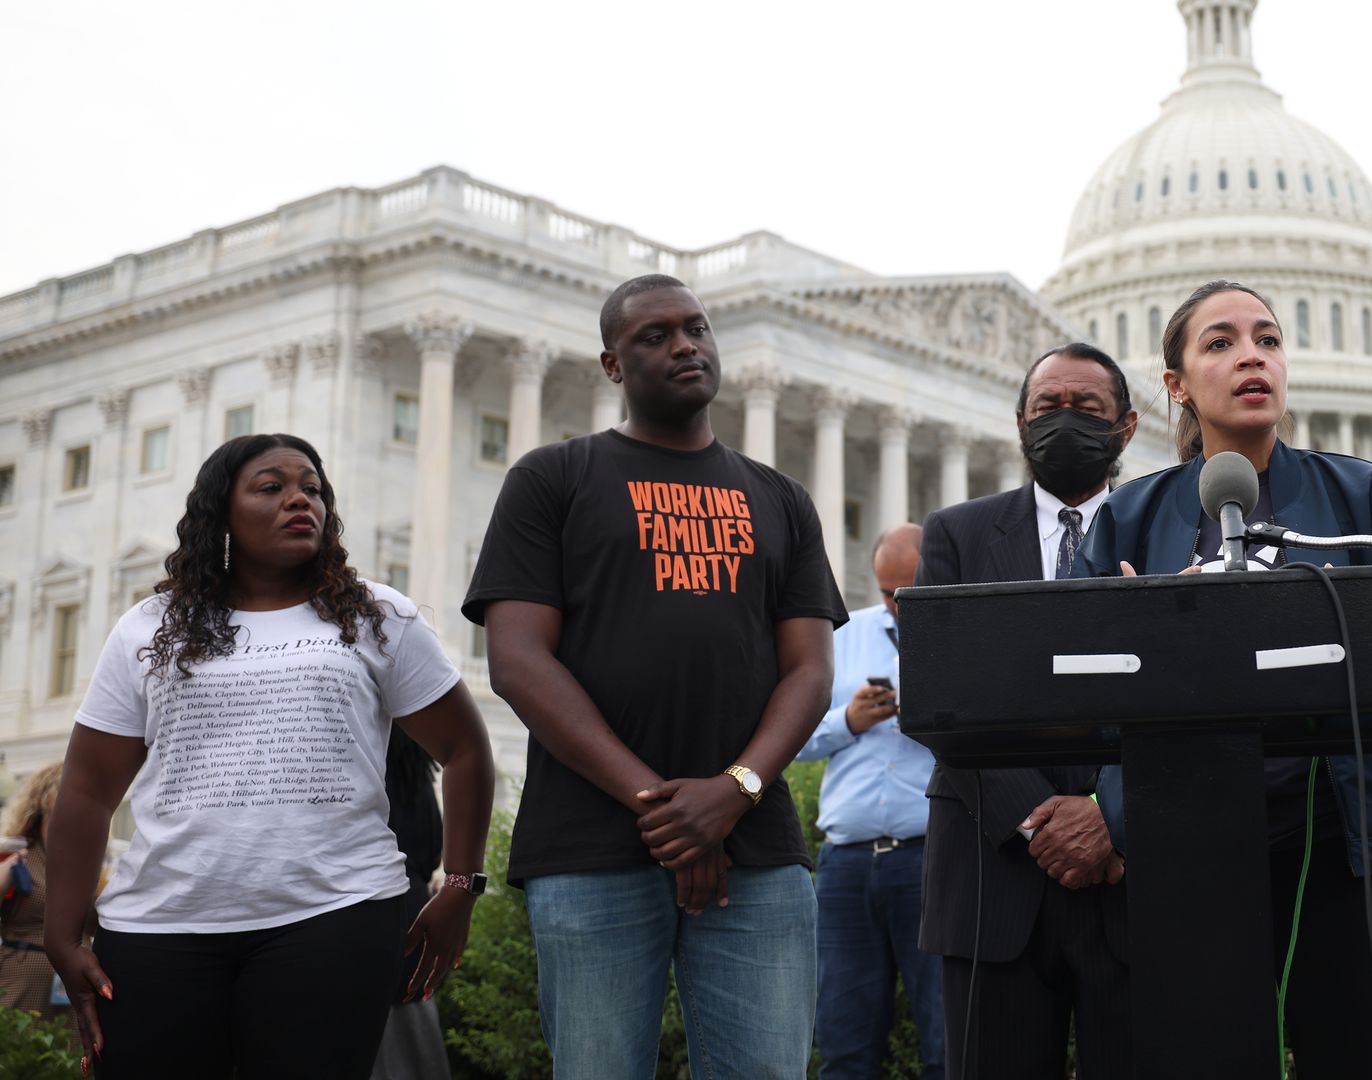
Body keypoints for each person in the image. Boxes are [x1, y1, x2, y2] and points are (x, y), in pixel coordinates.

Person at [464, 273, 846, 1080]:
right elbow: (518, 662)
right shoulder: (552, 479)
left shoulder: (781, 498)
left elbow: (810, 672)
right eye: (656, 335)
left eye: (697, 329)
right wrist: (669, 812)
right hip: (591, 846)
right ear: (612, 365)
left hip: (758, 849)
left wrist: (733, 791)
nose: (685, 345)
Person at [43, 433, 495, 1079]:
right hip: (160, 925)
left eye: (311, 487)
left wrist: (460, 886)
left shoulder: (375, 616)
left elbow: (465, 750)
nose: (298, 500)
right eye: (271, 487)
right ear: (220, 513)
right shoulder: (151, 626)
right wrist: (61, 933)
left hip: (336, 918)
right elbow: (87, 791)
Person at [1076, 280, 1372, 1078]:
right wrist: (1159, 627)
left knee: (1356, 1058)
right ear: (1177, 384)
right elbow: (1081, 691)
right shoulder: (1126, 520)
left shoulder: (1366, 497)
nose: (1251, 358)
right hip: (1183, 840)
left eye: (1267, 339)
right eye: (1221, 343)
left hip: (1335, 838)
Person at [916, 342, 1136, 1080]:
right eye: (1048, 408)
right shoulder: (956, 535)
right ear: (1019, 423)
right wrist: (1043, 818)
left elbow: (1195, 698)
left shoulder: (1169, 535)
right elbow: (943, 705)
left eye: (1088, 410)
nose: (1065, 423)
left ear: (1127, 428)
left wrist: (1111, 812)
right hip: (993, 874)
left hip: (1135, 880)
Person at [796, 523, 943, 1080]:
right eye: (886, 591)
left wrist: (930, 720)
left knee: (947, 1037)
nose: (896, 603)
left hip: (930, 858)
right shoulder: (844, 636)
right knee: (843, 1039)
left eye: (907, 588)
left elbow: (995, 744)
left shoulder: (965, 635)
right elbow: (792, 738)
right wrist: (847, 722)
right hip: (846, 864)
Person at [370, 729, 454, 1080]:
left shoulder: (362, 770)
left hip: (366, 916)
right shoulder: (416, 773)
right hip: (414, 913)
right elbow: (435, 851)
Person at [0, 764, 65, 1027]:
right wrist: (7, 871)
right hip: (23, 986)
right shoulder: (19, 856)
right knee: (21, 1061)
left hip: (73, 992)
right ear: (39, 814)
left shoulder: (91, 864)